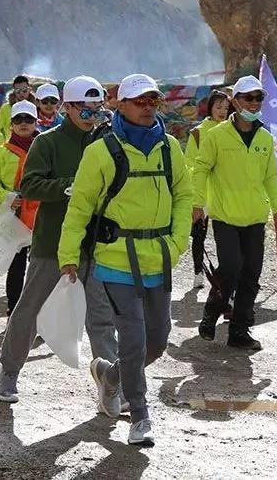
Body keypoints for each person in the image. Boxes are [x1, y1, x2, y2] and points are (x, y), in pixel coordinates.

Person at [58, 74, 192, 446]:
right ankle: (140, 415)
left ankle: (111, 376)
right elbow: (80, 206)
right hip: (116, 260)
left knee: (157, 341)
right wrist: (68, 254)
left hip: (159, 258)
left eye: (153, 101)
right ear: (121, 105)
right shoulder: (100, 151)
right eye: (140, 101)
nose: (148, 107)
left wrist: (177, 243)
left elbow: (184, 195)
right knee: (133, 338)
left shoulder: (170, 148)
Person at [0, 75, 118, 405]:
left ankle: (112, 382)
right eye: (85, 110)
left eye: (97, 110)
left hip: (94, 243)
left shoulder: (106, 143)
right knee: (29, 309)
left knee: (101, 316)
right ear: (68, 108)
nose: (92, 117)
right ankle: (9, 371)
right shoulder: (46, 143)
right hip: (52, 241)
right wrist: (69, 187)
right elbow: (30, 186)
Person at [193, 75, 277, 350]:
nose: (255, 103)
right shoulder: (216, 135)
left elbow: (270, 177)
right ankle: (212, 310)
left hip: (255, 217)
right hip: (225, 216)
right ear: (235, 101)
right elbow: (201, 169)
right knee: (231, 268)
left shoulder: (266, 138)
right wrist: (197, 204)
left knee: (251, 275)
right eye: (249, 98)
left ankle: (239, 330)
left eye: (259, 98)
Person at [0, 100, 40, 315]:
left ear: (36, 122)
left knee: (40, 268)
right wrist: (5, 197)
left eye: (28, 119)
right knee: (16, 267)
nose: (23, 123)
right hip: (15, 216)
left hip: (42, 217)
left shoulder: (45, 149)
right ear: (11, 124)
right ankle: (13, 311)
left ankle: (36, 312)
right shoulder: (1, 153)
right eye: (18, 119)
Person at [184, 89, 230, 289]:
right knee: (199, 234)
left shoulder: (233, 131)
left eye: (226, 108)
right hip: (202, 190)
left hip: (225, 190)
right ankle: (198, 271)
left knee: (225, 235)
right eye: (219, 107)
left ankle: (225, 273)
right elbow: (189, 163)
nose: (222, 111)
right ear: (210, 108)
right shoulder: (197, 133)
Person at [0, 75, 34, 145]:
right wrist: (4, 145)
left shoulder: (38, 106)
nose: (21, 93)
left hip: (34, 148)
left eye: (24, 90)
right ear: (14, 91)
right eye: (18, 91)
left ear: (29, 89)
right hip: (13, 148)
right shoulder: (6, 108)